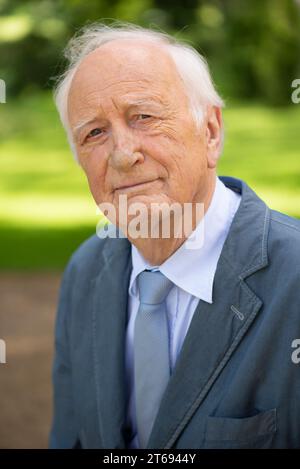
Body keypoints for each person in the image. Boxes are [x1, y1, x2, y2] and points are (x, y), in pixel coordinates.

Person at [49, 22, 300, 449]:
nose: (123, 154)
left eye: (143, 117)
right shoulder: (85, 272)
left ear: (211, 132)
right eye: (94, 132)